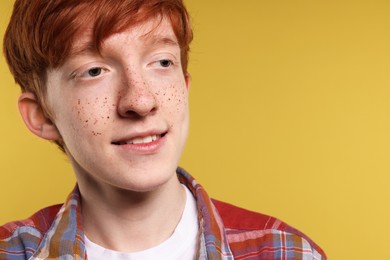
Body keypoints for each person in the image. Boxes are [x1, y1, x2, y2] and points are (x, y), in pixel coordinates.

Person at [0, 0, 326, 259]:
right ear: (42, 115)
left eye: (162, 62)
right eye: (94, 70)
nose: (141, 101)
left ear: (184, 87)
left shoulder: (285, 252)